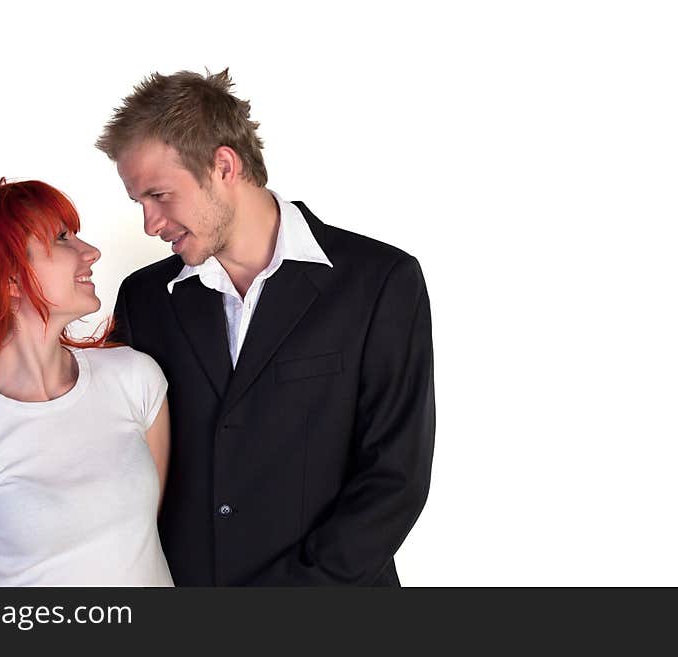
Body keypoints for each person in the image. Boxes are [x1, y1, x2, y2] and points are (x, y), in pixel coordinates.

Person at [95, 69, 436, 586]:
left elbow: (395, 480)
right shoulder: (144, 299)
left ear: (224, 165)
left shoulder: (381, 281)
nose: (149, 224)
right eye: (139, 202)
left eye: (160, 195)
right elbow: (120, 471)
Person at [0, 178, 173, 586]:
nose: (90, 252)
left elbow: (143, 540)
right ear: (8, 279)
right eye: (62, 239)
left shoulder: (135, 379)